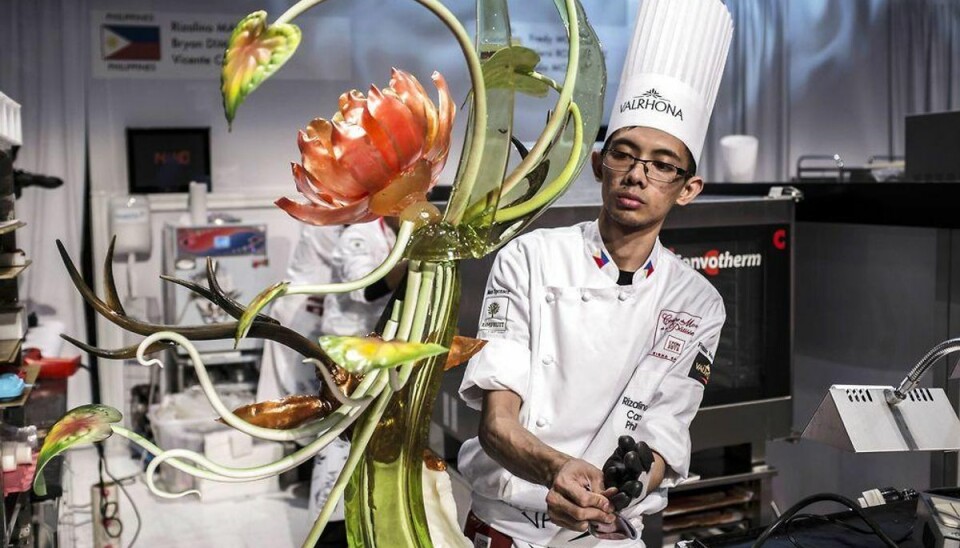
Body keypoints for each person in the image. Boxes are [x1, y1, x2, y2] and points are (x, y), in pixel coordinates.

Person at [457, 0, 734, 546]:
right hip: (509, 528)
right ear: (598, 165)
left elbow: (664, 438)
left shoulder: (698, 302)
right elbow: (498, 424)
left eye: (661, 164)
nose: (637, 175)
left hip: (610, 532)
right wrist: (555, 469)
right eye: (624, 155)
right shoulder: (530, 258)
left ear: (688, 189)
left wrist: (628, 484)